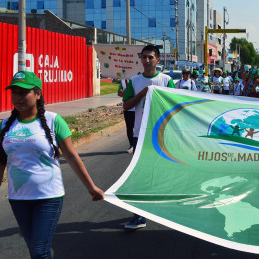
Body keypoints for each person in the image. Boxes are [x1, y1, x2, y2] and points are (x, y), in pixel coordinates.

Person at [0, 71, 104, 259]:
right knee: (36, 250)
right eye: (14, 92)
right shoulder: (5, 125)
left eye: (24, 92)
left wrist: (91, 187)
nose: (18, 97)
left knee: (39, 251)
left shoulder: (54, 121)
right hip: (18, 199)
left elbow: (72, 157)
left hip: (48, 197)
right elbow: (1, 162)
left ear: (38, 93)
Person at [122, 45, 175, 230]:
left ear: (158, 60)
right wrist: (143, 94)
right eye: (143, 57)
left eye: (150, 57)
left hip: (161, 135)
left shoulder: (166, 80)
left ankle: (161, 207)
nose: (146, 60)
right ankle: (139, 216)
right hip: (140, 135)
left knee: (161, 173)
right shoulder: (135, 82)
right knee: (139, 175)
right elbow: (126, 106)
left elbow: (175, 109)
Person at [118, 79, 135, 154]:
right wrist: (123, 93)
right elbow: (119, 93)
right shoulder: (123, 81)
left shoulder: (137, 79)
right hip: (127, 108)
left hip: (137, 107)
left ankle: (140, 145)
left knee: (139, 127)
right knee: (129, 127)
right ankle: (132, 145)